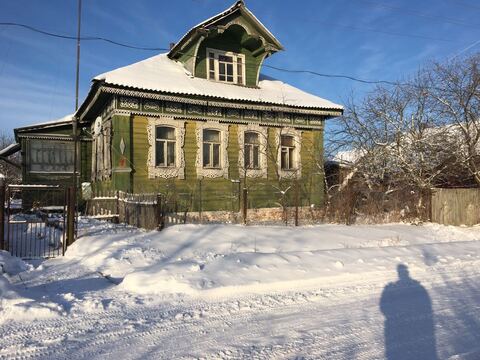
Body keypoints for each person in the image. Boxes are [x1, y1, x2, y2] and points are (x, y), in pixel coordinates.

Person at [380, 264, 437, 360]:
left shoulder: (396, 289)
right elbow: (427, 309)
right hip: (410, 329)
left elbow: (384, 308)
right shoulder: (418, 287)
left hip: (405, 329)